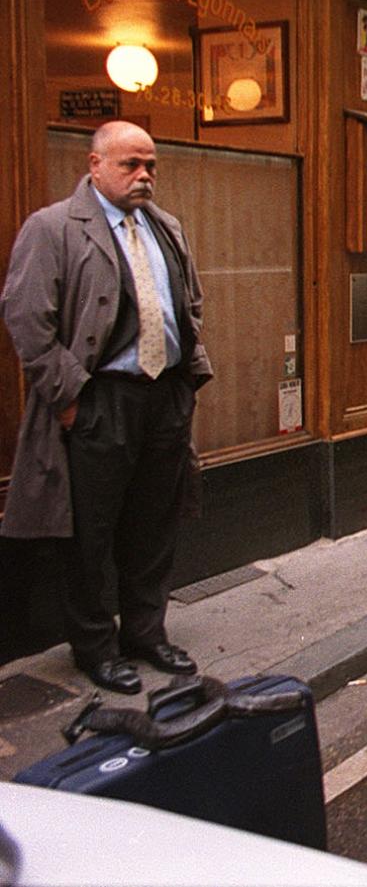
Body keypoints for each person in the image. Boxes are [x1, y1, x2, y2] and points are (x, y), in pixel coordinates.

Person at [1, 121, 211, 695]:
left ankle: (146, 632)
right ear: (94, 165)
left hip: (163, 395)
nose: (143, 175)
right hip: (99, 400)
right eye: (129, 165)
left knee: (153, 523)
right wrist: (70, 402)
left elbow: (188, 302)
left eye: (150, 165)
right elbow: (27, 320)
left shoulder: (164, 226)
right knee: (90, 533)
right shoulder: (52, 228)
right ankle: (95, 646)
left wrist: (188, 378)